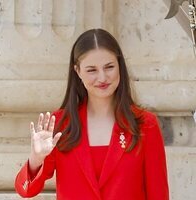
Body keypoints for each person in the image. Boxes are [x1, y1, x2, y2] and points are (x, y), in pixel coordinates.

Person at [15, 28, 169, 200]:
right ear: (77, 71)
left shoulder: (145, 124)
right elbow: (26, 190)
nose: (102, 78)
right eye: (91, 70)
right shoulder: (60, 124)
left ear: (120, 66)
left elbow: (159, 194)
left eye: (109, 67)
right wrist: (36, 159)